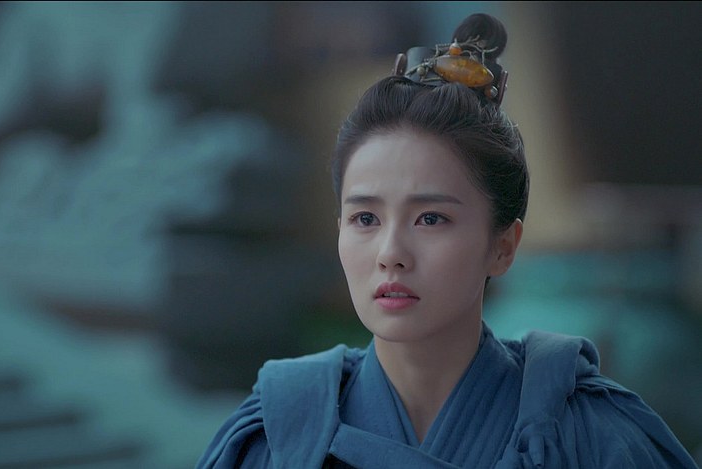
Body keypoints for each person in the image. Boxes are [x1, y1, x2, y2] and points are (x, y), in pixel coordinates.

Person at [195, 13, 698, 469]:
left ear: (503, 246)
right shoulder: (276, 435)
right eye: (366, 218)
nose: (391, 254)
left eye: (431, 219)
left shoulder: (593, 437)